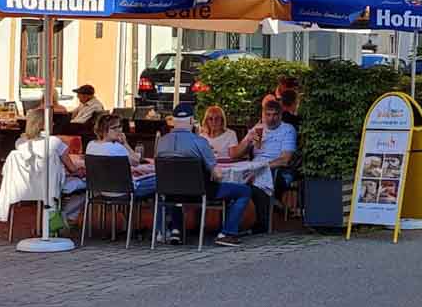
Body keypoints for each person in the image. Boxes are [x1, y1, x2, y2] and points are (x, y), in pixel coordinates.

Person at [214, 97, 296, 242]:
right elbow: (234, 154)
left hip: (277, 169)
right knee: (233, 181)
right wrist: (247, 141)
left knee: (253, 183)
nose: (271, 119)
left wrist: (261, 167)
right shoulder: (257, 129)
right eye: (268, 115)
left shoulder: (287, 130)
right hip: (253, 167)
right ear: (263, 115)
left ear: (280, 115)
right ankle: (228, 223)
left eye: (274, 115)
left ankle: (260, 224)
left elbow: (285, 159)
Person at [0, 108, 87, 228]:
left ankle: (61, 218)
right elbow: (72, 169)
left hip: (26, 186)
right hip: (51, 187)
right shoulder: (55, 142)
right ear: (43, 124)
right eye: (51, 121)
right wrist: (81, 171)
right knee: (88, 185)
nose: (53, 124)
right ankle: (67, 215)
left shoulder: (20, 143)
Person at [151, 111, 217, 244]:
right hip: (198, 193)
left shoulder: (161, 142)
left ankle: (173, 230)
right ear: (192, 121)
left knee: (175, 190)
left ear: (173, 121)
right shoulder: (200, 142)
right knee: (243, 191)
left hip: (169, 192)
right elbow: (217, 174)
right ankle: (227, 233)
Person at [85, 114, 156, 199]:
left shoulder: (90, 145)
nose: (119, 130)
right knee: (161, 180)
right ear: (103, 130)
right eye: (114, 128)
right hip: (125, 191)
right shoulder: (118, 148)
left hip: (101, 190)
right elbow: (136, 161)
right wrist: (125, 143)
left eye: (120, 126)